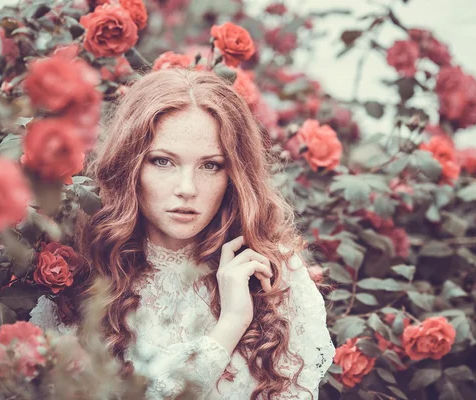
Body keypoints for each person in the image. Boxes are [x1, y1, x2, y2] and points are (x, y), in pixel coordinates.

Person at [29, 68, 335, 399]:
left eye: (210, 165)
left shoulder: (275, 275)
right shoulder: (85, 270)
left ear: (233, 175)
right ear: (130, 166)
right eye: (163, 162)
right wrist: (230, 325)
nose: (186, 189)